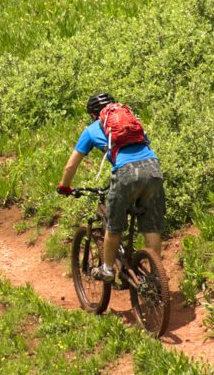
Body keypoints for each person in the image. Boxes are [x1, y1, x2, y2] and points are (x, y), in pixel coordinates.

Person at [57, 92, 166, 282]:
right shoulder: (129, 120)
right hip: (153, 166)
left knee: (114, 227)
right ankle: (156, 276)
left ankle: (107, 269)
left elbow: (71, 165)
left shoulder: (91, 129)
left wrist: (65, 187)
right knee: (152, 227)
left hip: (125, 171)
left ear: (93, 115)